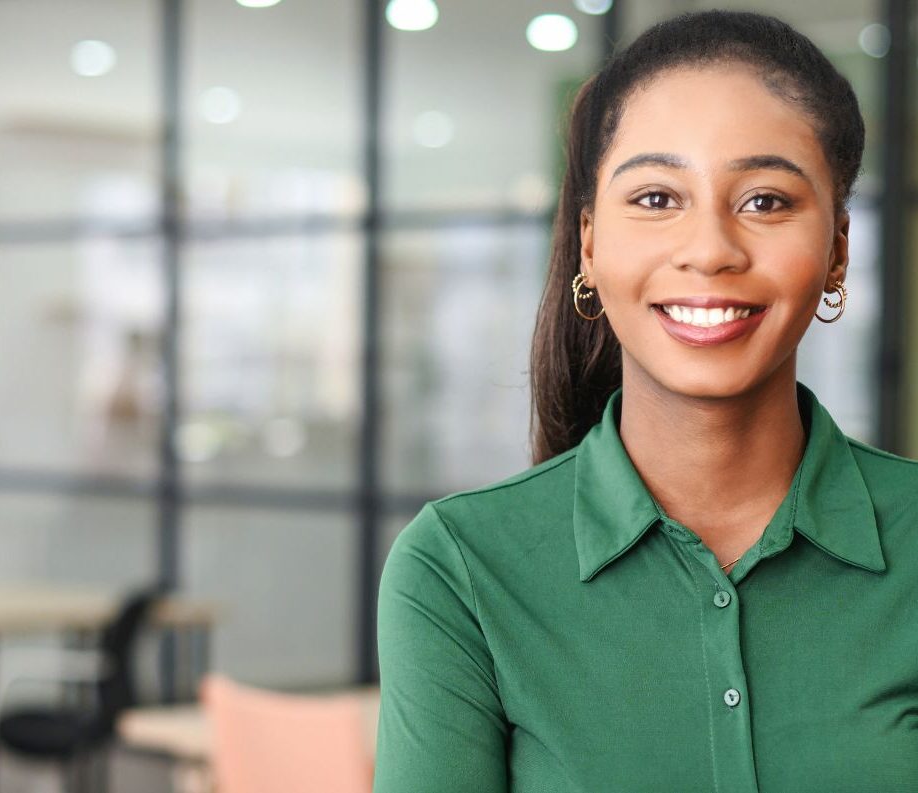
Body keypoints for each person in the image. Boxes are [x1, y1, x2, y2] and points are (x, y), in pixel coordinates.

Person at [373, 10, 918, 793]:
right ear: (590, 243)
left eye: (765, 200)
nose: (710, 250)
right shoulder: (460, 567)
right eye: (658, 198)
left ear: (837, 248)